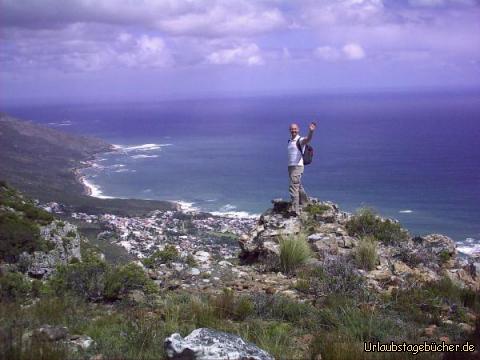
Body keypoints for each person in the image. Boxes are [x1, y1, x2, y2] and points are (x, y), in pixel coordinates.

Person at [288, 122, 316, 215]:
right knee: (298, 186)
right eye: (292, 129)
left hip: (297, 166)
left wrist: (311, 131)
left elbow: (308, 139)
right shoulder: (290, 141)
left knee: (293, 187)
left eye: (295, 129)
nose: (293, 130)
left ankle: (295, 210)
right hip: (291, 167)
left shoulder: (299, 140)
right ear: (290, 130)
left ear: (298, 129)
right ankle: (306, 203)